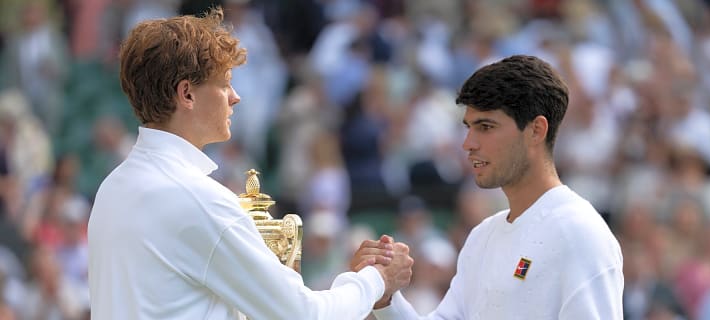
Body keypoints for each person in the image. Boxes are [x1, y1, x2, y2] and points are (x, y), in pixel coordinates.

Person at [88, 8, 412, 319]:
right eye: (224, 83)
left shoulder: (112, 188)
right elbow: (303, 315)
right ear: (186, 94)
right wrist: (376, 279)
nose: (235, 96)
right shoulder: (199, 201)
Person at [352, 55, 624, 319]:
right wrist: (385, 298)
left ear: (536, 131)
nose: (468, 143)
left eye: (485, 126)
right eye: (469, 127)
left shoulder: (580, 232)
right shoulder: (482, 236)